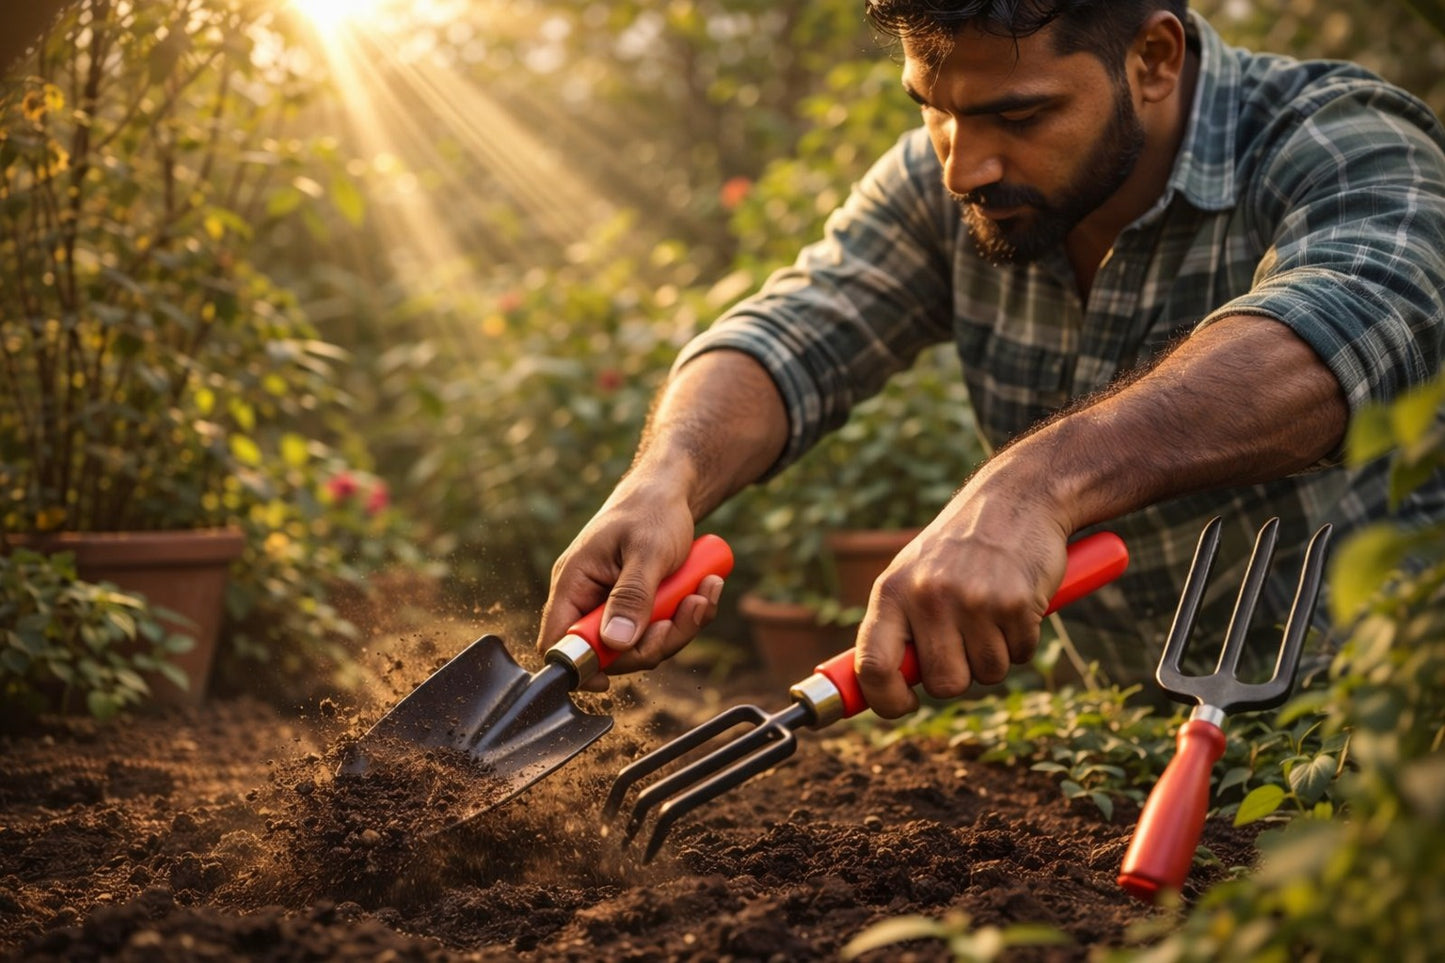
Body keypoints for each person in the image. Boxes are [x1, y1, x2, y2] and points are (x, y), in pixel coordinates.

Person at [537, 0, 1445, 716]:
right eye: (932, 109)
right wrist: (667, 475)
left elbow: (1349, 326)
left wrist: (1031, 485)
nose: (959, 167)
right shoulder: (954, 185)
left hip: (1385, 742)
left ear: (1153, 60)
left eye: (1018, 113)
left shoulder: (1336, 138)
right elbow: (796, 329)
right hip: (1125, 740)